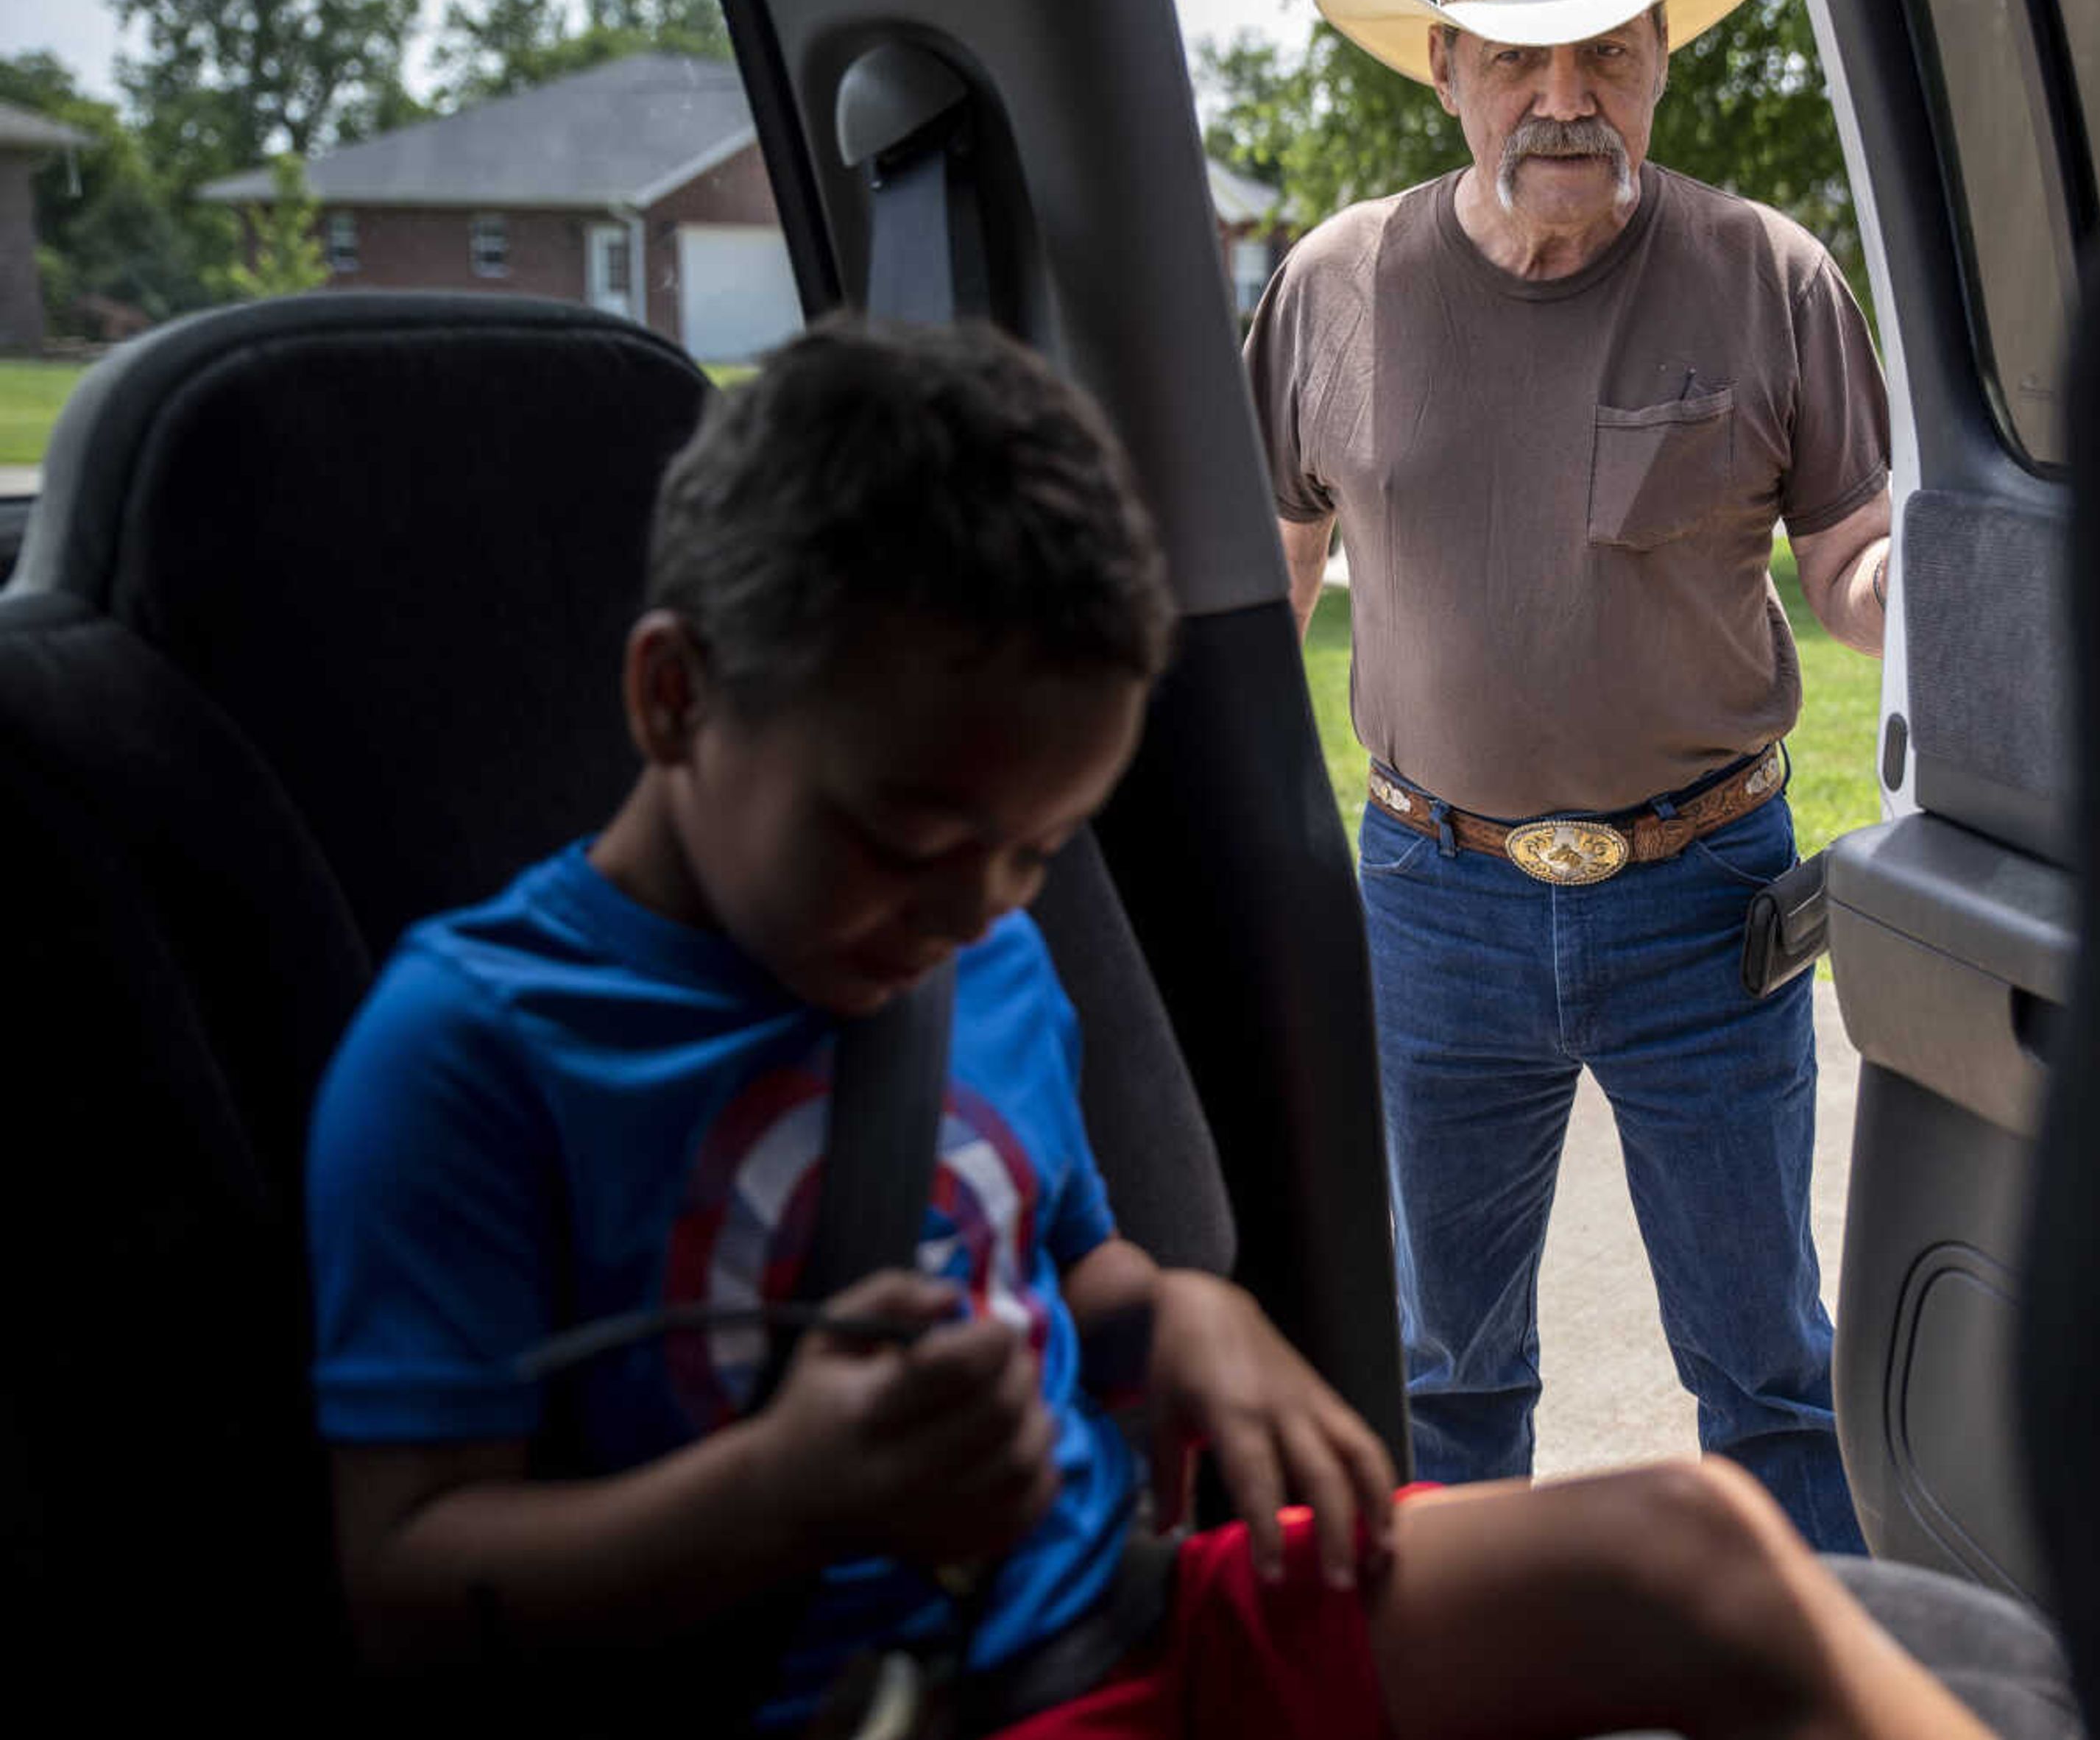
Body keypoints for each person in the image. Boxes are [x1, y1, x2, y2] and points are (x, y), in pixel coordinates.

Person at [303, 316, 1995, 1739]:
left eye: (1034, 852)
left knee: (1696, 1541)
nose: (975, 911)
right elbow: (404, 1586)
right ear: (677, 696)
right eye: (907, 839)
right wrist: (786, 1494)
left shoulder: (980, 949)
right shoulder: (472, 1052)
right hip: (829, 1703)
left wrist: (1181, 1313)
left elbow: (1060, 1265)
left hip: (1114, 1618)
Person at [1245, 0, 1893, 1546]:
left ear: (1667, 52)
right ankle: (1446, 1687)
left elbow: (1852, 558)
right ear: (1445, 68)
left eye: (1607, 49)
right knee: (1444, 1367)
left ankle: (1817, 1686)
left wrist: (1946, 610)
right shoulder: (1332, 285)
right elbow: (1270, 569)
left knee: (1767, 1368)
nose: (1564, 96)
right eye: (1519, 59)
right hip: (1433, 903)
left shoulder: (1771, 275)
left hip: (1710, 899)